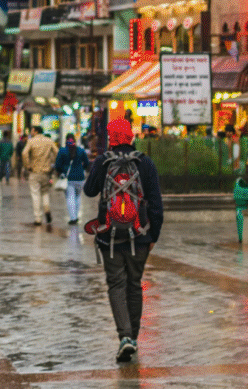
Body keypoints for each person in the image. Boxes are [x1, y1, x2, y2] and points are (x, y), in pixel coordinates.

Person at [83, 118, 163, 363]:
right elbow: (156, 203)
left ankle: (125, 336)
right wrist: (153, 235)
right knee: (134, 284)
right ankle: (134, 338)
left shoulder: (103, 161)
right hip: (140, 235)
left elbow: (89, 190)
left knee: (116, 285)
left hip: (109, 236)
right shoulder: (145, 162)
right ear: (130, 136)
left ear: (111, 136)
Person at [23, 126, 58, 225]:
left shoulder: (31, 141)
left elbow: (24, 153)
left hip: (34, 171)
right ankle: (47, 209)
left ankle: (38, 218)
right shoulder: (49, 141)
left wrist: (28, 166)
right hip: (46, 172)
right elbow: (57, 152)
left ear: (36, 131)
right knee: (45, 192)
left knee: (35, 194)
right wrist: (52, 163)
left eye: (32, 131)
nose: (31, 132)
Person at [55, 133, 89, 225]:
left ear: (66, 140)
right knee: (78, 197)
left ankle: (73, 218)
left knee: (70, 197)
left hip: (68, 178)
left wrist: (61, 171)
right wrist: (82, 169)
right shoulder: (81, 150)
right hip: (80, 178)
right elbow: (86, 163)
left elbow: (57, 165)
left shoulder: (62, 151)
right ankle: (76, 216)